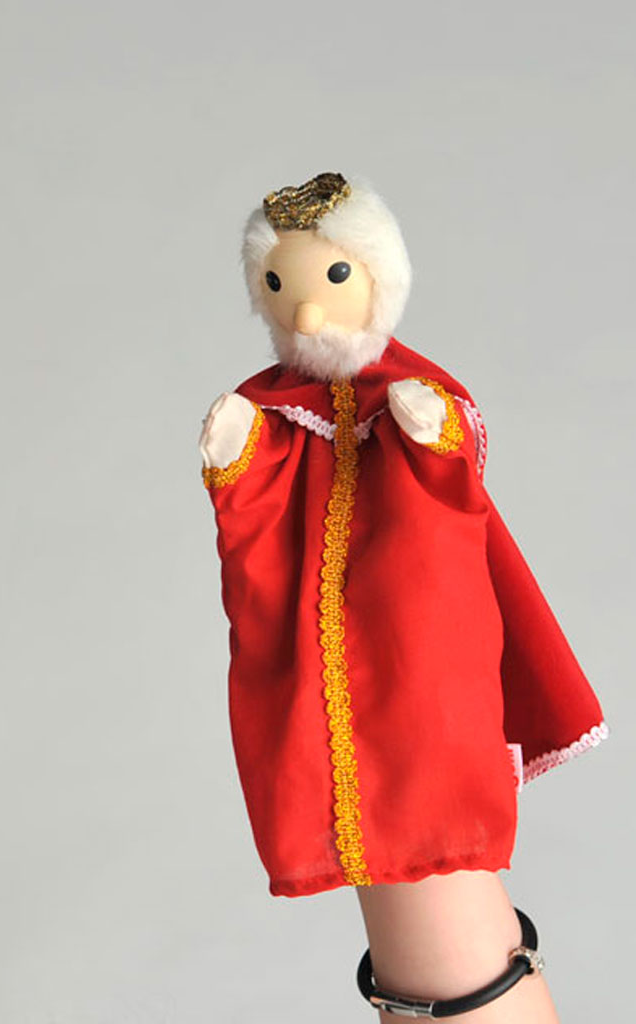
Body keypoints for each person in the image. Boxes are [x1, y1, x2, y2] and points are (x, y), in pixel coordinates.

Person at [199, 172, 606, 1021]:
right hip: (320, 635)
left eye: (330, 278)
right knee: (346, 770)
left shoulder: (411, 385)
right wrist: (238, 458)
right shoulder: (278, 409)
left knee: (427, 766)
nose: (306, 309)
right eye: (278, 284)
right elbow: (254, 509)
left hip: (416, 625)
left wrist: (428, 431)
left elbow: (456, 462)